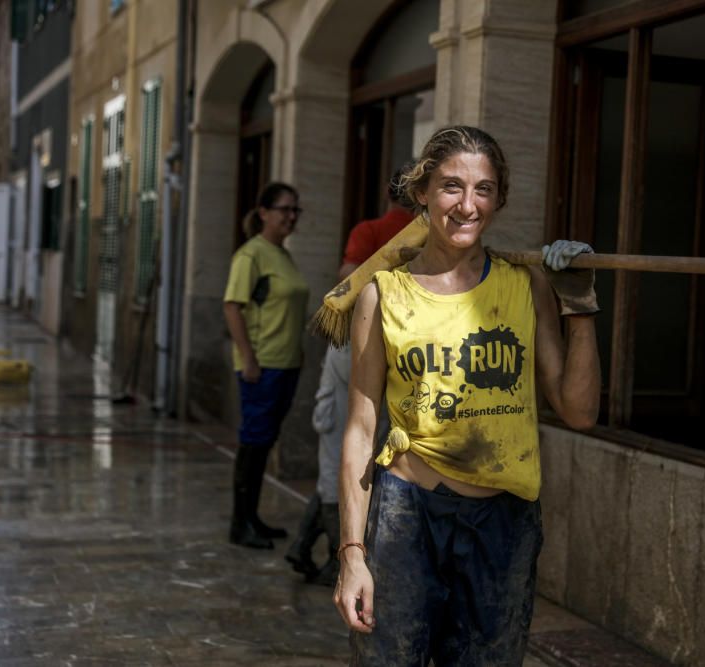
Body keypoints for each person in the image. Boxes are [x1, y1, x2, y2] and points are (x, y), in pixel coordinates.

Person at [333, 126, 601, 665]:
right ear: (423, 192)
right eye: (452, 186)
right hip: (405, 517)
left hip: (502, 526)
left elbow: (579, 411)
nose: (467, 204)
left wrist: (582, 306)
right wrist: (352, 555)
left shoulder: (525, 286)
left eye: (483, 189)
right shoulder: (382, 294)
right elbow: (362, 430)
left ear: (498, 199)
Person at [286, 166, 414, 585]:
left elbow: (349, 278)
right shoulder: (420, 234)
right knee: (364, 450)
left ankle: (328, 557)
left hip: (356, 346)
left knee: (339, 452)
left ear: (386, 191)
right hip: (400, 350)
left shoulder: (374, 229)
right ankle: (309, 547)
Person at [223, 182, 309, 550]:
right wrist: (249, 358)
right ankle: (239, 523)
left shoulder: (282, 254)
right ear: (264, 213)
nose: (291, 217)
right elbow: (232, 306)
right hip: (264, 365)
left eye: (295, 211)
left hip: (286, 363)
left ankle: (252, 517)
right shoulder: (251, 255)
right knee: (254, 443)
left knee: (265, 442)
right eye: (284, 209)